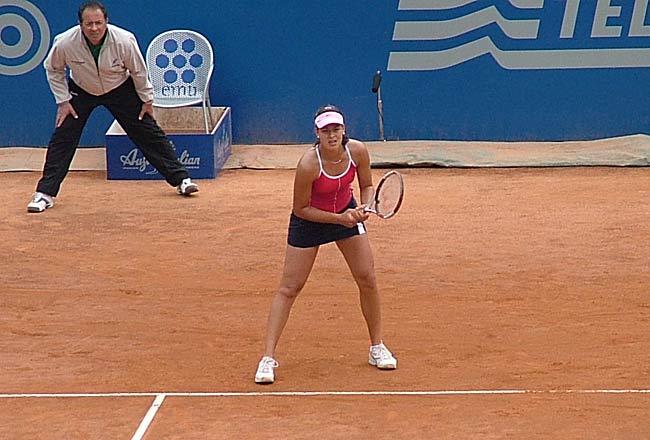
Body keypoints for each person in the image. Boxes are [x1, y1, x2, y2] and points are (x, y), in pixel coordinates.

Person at [254, 105, 397, 384]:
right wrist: (338, 219)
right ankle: (267, 359)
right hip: (310, 220)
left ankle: (377, 347)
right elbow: (300, 208)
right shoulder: (308, 164)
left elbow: (367, 184)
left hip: (346, 212)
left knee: (367, 278)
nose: (332, 135)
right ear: (316, 133)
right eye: (325, 130)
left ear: (344, 130)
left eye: (336, 129)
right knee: (289, 288)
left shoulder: (357, 151)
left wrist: (365, 207)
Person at [27, 1, 198, 213]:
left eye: (98, 23)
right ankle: (44, 194)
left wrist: (147, 101)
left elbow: (139, 71)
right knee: (63, 137)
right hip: (82, 90)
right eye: (89, 24)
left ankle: (182, 179)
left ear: (106, 21)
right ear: (80, 25)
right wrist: (63, 100)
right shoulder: (64, 43)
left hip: (120, 87)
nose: (94, 28)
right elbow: (52, 69)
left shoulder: (124, 40)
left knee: (148, 132)